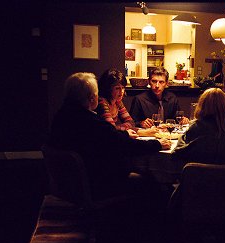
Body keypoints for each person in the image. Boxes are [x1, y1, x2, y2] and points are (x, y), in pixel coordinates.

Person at [47, 72, 171, 200]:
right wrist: (157, 144)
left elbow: (115, 136)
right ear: (92, 98)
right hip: (97, 184)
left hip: (68, 183)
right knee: (153, 181)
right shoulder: (91, 122)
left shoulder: (62, 116)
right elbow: (123, 143)